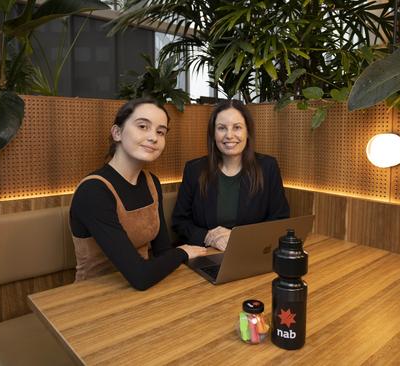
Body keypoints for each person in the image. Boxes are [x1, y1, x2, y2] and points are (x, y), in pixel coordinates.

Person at [70, 98, 206, 290]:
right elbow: (140, 276)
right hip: (93, 295)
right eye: (143, 126)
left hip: (147, 285)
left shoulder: (152, 183)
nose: (153, 137)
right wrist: (183, 251)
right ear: (117, 133)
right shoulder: (94, 191)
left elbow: (163, 252)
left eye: (161, 132)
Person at [172, 99, 290, 251]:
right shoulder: (194, 170)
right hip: (205, 253)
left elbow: (279, 219)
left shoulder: (268, 167)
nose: (229, 135)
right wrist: (207, 237)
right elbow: (179, 221)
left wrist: (238, 238)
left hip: (251, 251)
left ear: (247, 132)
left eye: (237, 127)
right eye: (221, 128)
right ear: (213, 134)